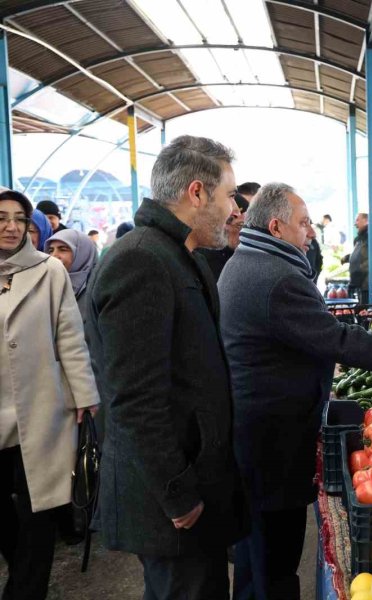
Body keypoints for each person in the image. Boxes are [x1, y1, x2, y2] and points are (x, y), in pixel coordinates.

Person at [218, 183, 372, 600]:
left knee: (254, 554)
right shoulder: (277, 277)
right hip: (272, 439)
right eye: (303, 224)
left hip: (252, 429)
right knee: (274, 559)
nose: (310, 232)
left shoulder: (244, 261)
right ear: (276, 226)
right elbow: (333, 338)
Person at [85, 135, 248, 599]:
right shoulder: (142, 260)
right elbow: (135, 398)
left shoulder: (177, 255)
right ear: (196, 193)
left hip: (194, 483)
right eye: (229, 196)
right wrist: (178, 493)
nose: (235, 210)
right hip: (171, 503)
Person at [0, 190, 100, 599]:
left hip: (43, 407)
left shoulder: (48, 271)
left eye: (19, 219)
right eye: (2, 218)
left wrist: (84, 397)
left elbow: (70, 338)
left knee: (39, 511)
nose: (11, 226)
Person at [45, 229, 99, 321]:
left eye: (63, 249)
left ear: (83, 254)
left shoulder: (97, 291)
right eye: (51, 250)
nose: (53, 256)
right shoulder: (44, 284)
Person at [197, 193, 249, 281]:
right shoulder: (205, 260)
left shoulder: (245, 257)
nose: (243, 232)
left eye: (247, 226)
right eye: (240, 225)